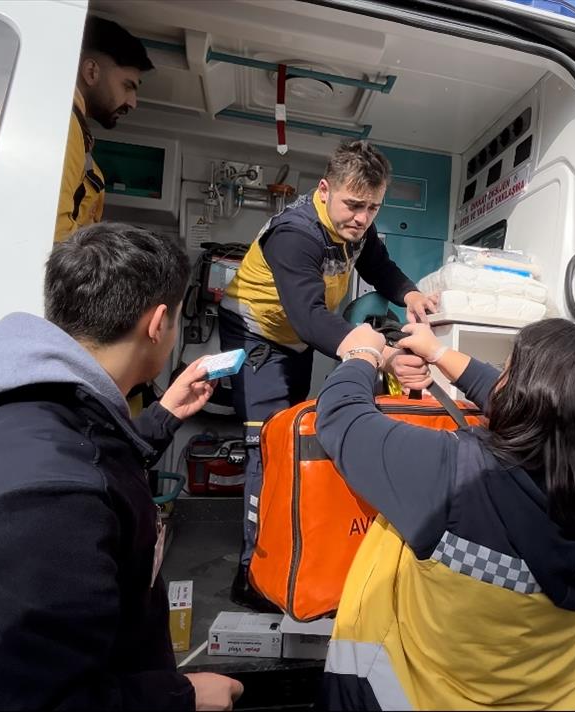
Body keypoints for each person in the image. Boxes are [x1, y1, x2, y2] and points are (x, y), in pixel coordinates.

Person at [0, 223, 243, 711]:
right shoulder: (45, 503)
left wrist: (161, 420)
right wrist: (182, 696)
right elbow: (35, 702)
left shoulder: (15, 405)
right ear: (158, 322)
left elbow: (91, 457)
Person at [316, 319, 575, 710]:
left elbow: (343, 422)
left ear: (524, 394)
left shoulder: (454, 478)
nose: (499, 379)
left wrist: (361, 353)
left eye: (506, 369)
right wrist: (438, 354)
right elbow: (549, 413)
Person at [219, 140, 437, 609]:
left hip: (294, 337)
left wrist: (410, 294)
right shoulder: (295, 233)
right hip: (257, 332)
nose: (361, 218)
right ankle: (250, 577)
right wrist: (370, 352)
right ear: (325, 190)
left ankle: (291, 552)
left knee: (292, 438)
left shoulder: (358, 225)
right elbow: (310, 316)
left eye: (372, 207)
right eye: (353, 205)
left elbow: (379, 266)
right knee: (267, 447)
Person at [54, 17, 153, 243]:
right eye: (127, 86)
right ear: (91, 71)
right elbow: (55, 232)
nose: (133, 102)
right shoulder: (63, 129)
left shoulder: (75, 130)